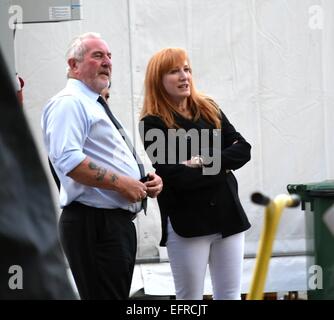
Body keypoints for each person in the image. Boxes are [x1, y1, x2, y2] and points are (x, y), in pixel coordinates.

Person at [41, 32, 162, 300]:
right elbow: (68, 160)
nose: (107, 61)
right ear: (73, 65)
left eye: (109, 56)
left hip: (111, 224)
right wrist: (122, 183)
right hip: (94, 223)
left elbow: (105, 155)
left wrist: (143, 180)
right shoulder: (69, 102)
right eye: (98, 55)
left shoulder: (91, 103)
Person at [139, 47, 251, 300]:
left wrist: (200, 161)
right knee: (189, 299)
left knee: (230, 295)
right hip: (187, 222)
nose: (184, 76)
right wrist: (223, 164)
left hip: (228, 216)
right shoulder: (152, 122)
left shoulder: (209, 108)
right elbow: (175, 175)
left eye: (186, 69)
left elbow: (244, 149)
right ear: (158, 80)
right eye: (174, 71)